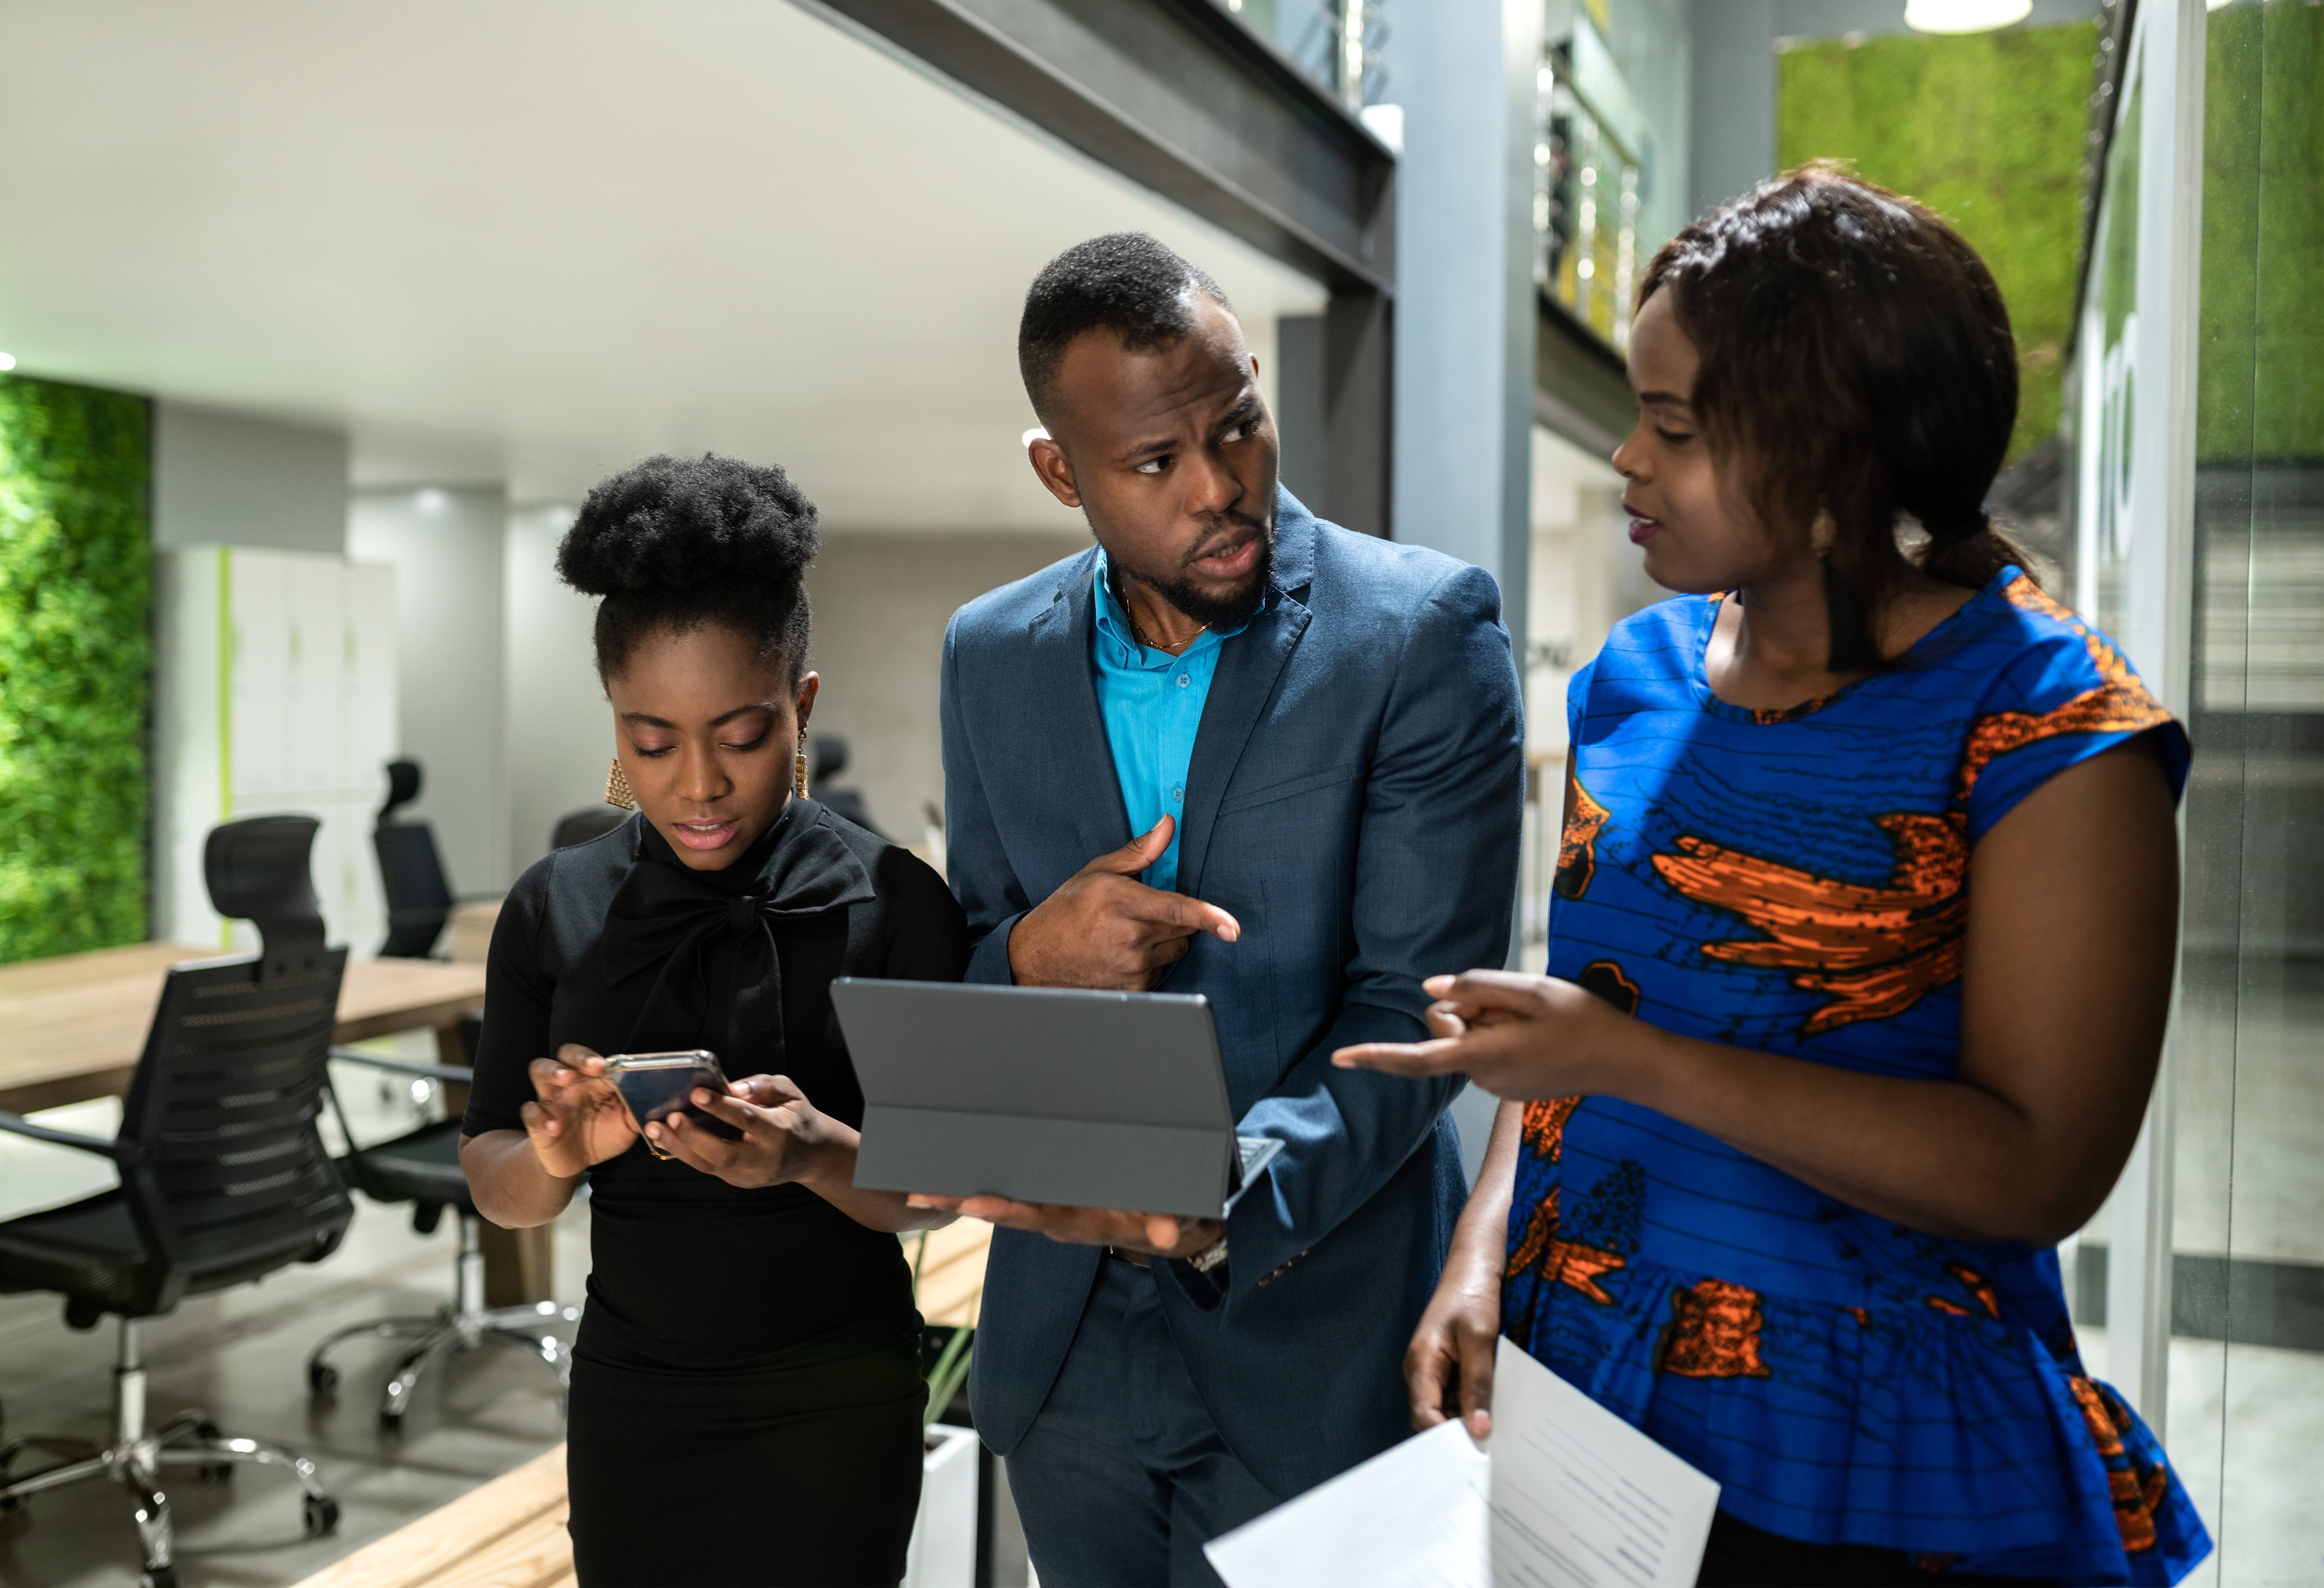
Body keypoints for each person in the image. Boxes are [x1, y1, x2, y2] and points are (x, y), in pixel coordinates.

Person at [1336, 169, 2213, 1586]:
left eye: (1674, 427)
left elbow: (2036, 1168)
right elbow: (1579, 1024)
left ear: (1831, 455)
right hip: (1587, 1393)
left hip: (1868, 1453)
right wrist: (1483, 1247)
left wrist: (1634, 1060)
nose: (1626, 457)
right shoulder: (1636, 676)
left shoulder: (2051, 726)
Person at [916, 232, 1525, 1586]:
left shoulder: (1420, 631)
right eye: (1154, 462)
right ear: (1060, 473)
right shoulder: (988, 655)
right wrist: (1029, 953)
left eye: (1238, 422)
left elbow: (1422, 1008)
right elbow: (968, 948)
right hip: (1066, 1356)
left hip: (1315, 1337)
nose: (1220, 485)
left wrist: (1226, 1194)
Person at [457, 454, 967, 1588]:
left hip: (838, 1395)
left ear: (802, 708)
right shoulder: (553, 907)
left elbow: (937, 1194)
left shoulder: (896, 903)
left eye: (741, 736)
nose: (697, 784)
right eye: (652, 742)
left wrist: (811, 1153)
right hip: (637, 1397)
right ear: (615, 723)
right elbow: (495, 1181)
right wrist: (555, 1157)